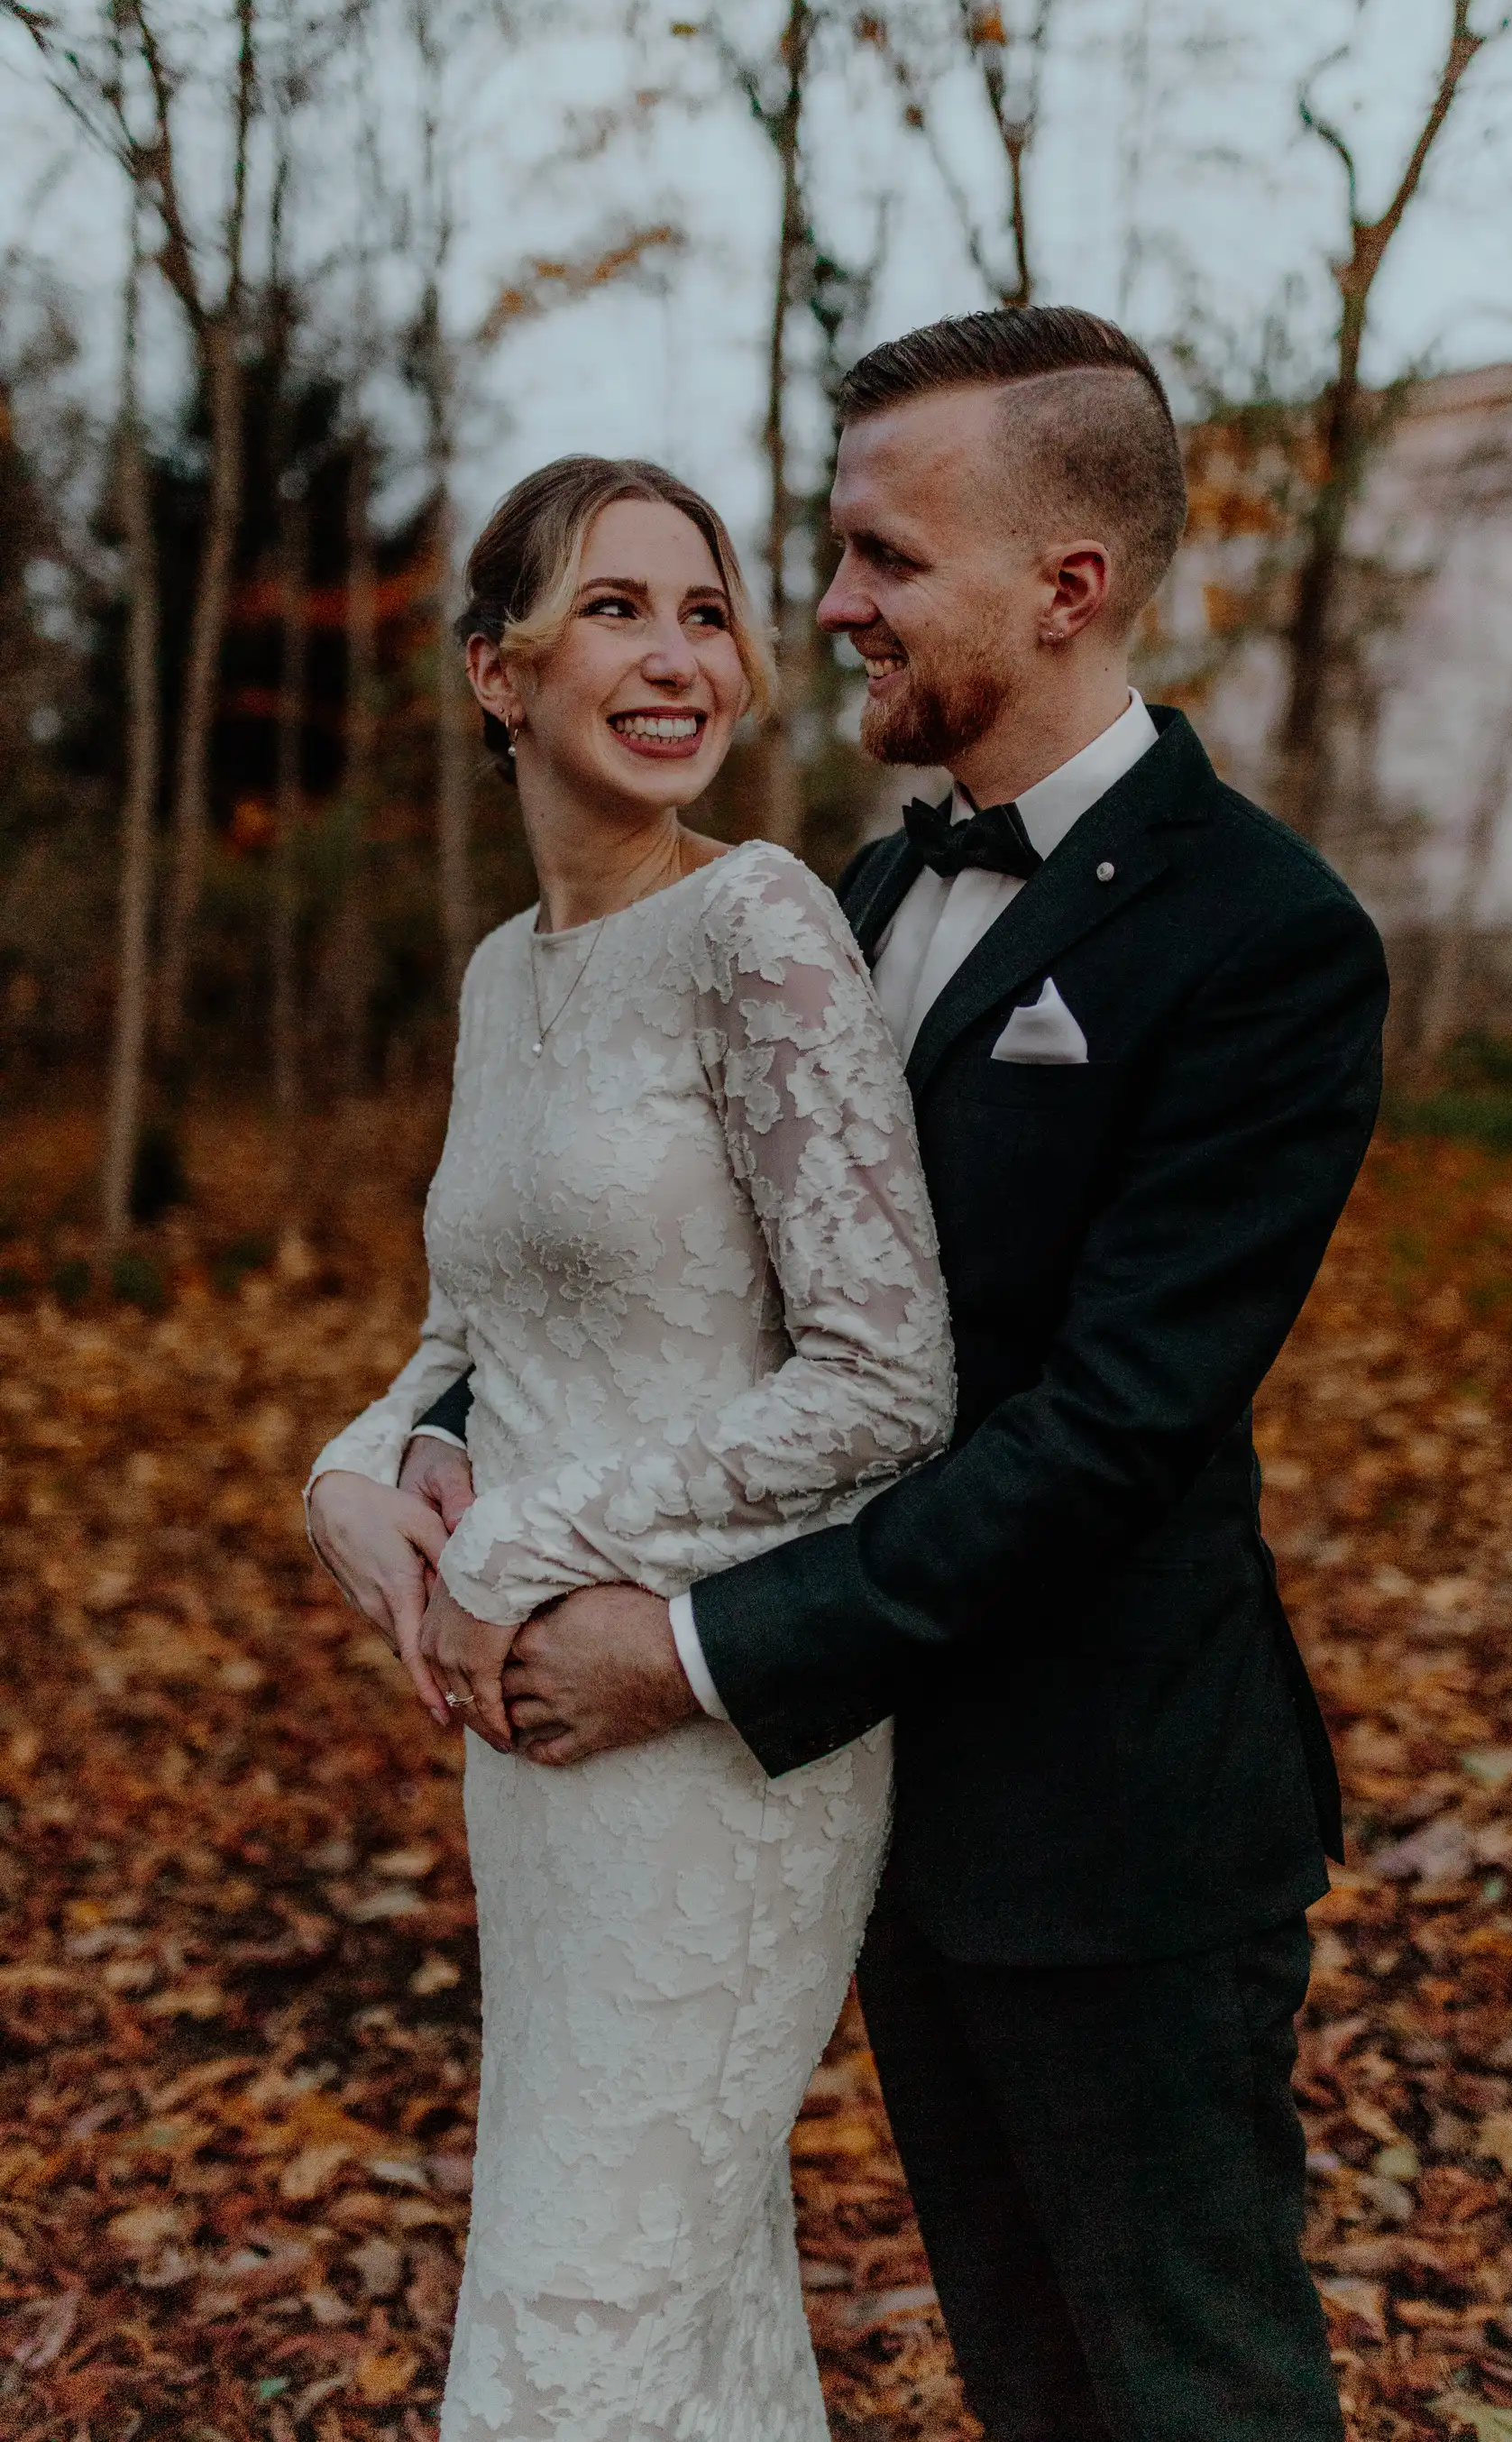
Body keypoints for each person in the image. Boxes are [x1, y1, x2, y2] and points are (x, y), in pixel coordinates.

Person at [389, 308, 1388, 2439]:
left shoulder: (1262, 938)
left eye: (878, 558)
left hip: (1111, 1815)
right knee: (1022, 2376)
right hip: (867, 1804)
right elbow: (673, 1281)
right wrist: (412, 1466)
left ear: (1067, 584)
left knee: (1186, 2386)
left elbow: (1109, 1434)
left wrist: (696, 1649)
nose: (826, 606)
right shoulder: (845, 889)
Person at [304, 454, 953, 2442]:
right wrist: (364, 1462)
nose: (679, 657)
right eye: (614, 610)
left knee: (577, 2305)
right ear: (495, 672)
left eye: (702, 611)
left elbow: (885, 1374)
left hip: (711, 1731)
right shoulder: (508, 974)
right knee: (688, 2286)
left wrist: (533, 1550)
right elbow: (475, 1329)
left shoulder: (757, 924)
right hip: (541, 1758)